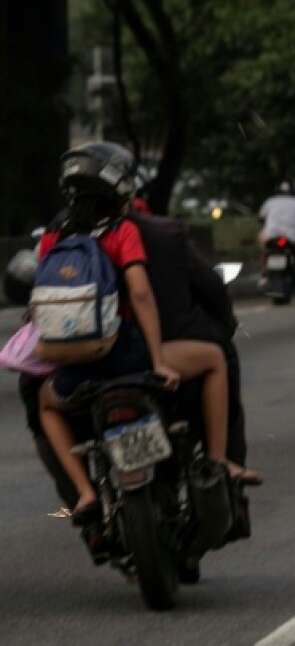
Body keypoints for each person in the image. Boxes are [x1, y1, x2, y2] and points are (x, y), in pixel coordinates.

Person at [35, 143, 257, 538]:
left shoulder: (54, 240)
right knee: (213, 359)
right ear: (121, 192)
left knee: (45, 403)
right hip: (125, 357)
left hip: (77, 371)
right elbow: (140, 294)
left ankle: (85, 492)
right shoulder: (124, 232)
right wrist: (157, 360)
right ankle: (220, 461)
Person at [258, 179, 295, 276]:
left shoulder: (270, 202)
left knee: (264, 250)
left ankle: (263, 271)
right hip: (292, 237)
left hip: (271, 235)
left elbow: (261, 217)